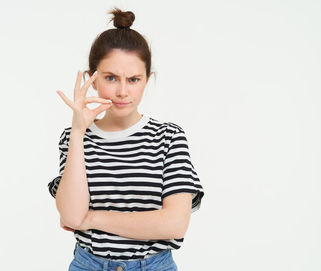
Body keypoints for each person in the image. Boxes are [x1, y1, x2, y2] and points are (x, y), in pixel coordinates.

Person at [48, 8, 204, 271]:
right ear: (92, 80)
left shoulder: (168, 137)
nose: (122, 91)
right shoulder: (73, 137)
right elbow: (72, 216)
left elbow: (176, 223)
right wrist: (77, 133)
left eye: (133, 79)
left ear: (146, 80)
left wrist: (93, 218)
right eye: (111, 78)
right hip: (88, 265)